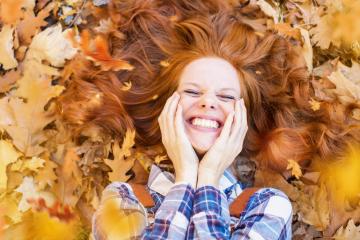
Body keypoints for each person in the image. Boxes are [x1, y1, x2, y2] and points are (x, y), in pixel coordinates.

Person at [57, 0, 359, 239]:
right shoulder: (122, 200)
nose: (207, 102)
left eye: (226, 97)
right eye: (191, 91)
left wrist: (208, 179)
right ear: (165, 109)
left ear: (243, 119)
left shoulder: (267, 207)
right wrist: (186, 176)